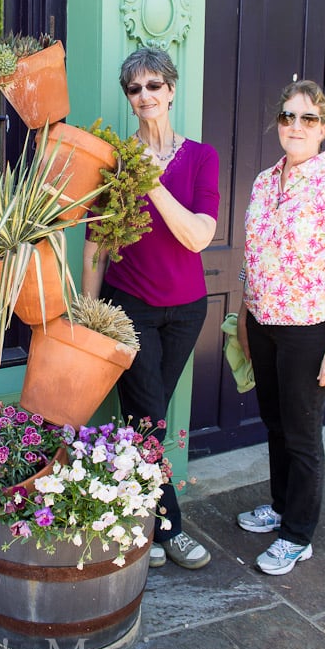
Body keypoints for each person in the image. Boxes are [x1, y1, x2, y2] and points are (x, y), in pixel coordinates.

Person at [82, 46, 219, 570]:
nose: (145, 97)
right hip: (129, 306)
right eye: (135, 89)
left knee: (145, 416)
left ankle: (140, 517)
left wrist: (151, 181)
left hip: (187, 311)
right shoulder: (112, 162)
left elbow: (198, 237)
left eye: (154, 86)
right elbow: (96, 243)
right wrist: (92, 317)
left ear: (172, 89)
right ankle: (170, 528)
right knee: (148, 417)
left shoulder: (201, 157)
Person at [236, 80, 325, 575]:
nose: (295, 126)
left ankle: (298, 535)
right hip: (263, 323)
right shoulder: (265, 181)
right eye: (288, 116)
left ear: (323, 127)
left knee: (303, 434)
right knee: (274, 423)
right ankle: (282, 505)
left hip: (310, 329)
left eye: (307, 118)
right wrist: (245, 317)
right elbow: (250, 256)